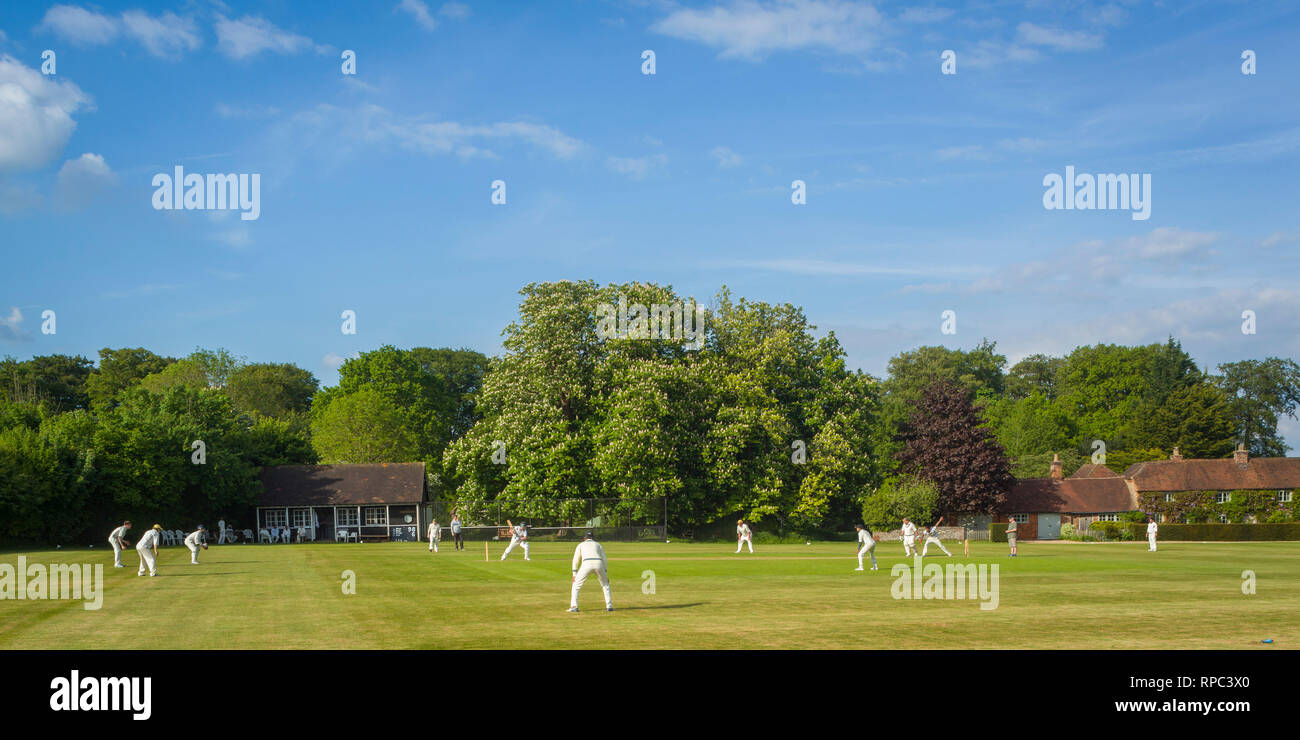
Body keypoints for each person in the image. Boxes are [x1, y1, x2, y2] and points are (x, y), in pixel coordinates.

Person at [568, 531, 613, 612]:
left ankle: (574, 606)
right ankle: (609, 606)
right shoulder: (598, 545)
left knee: (576, 585)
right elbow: (604, 559)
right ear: (592, 538)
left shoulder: (581, 545)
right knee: (605, 584)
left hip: (586, 564)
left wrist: (574, 574)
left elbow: (576, 560)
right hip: (598, 563)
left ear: (584, 538)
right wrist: (605, 573)